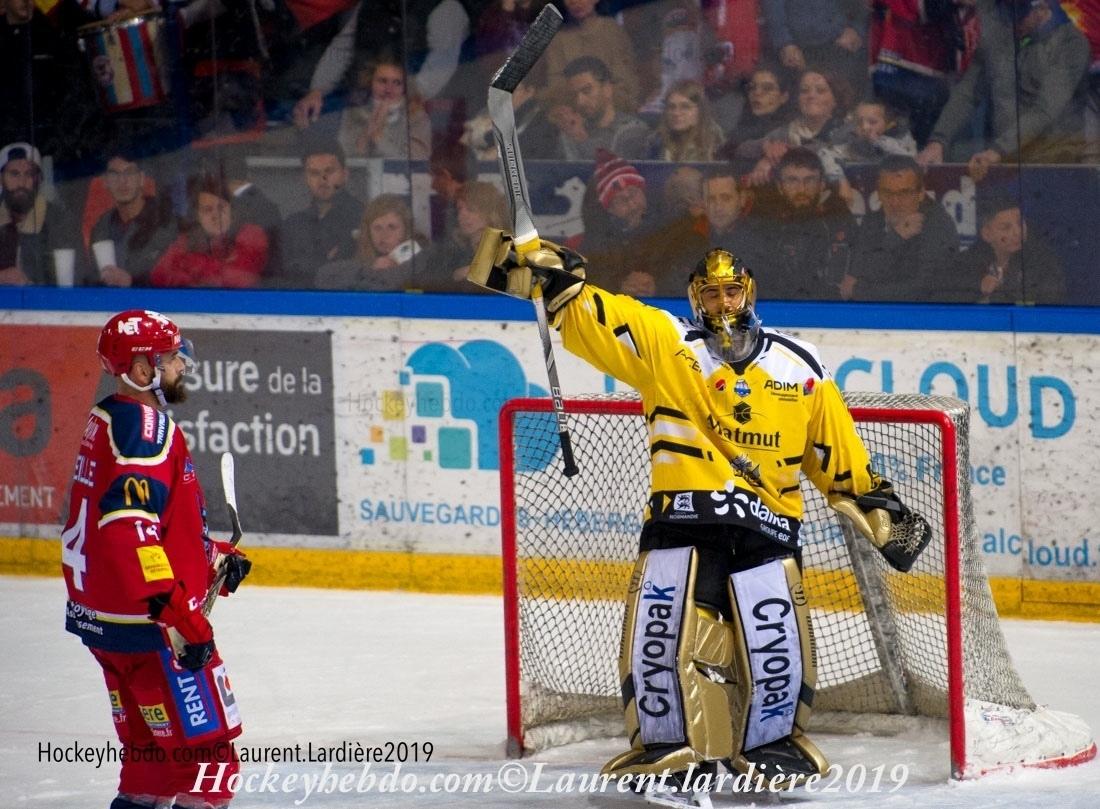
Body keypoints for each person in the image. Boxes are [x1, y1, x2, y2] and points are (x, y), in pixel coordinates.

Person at [467, 237, 931, 807]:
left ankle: (772, 746)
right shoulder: (667, 344)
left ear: (750, 292)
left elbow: (834, 449)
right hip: (681, 522)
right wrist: (557, 284)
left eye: (731, 289)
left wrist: (873, 502)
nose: (722, 301)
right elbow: (602, 318)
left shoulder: (799, 363)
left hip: (768, 525)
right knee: (661, 638)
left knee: (775, 643)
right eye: (710, 292)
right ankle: (668, 749)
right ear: (695, 297)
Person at [61, 310, 251, 809]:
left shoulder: (107, 419)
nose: (180, 363)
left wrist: (212, 559)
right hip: (153, 630)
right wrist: (180, 614)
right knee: (211, 770)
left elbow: (149, 524)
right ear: (140, 369)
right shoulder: (147, 429)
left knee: (152, 771)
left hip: (107, 623)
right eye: (169, 356)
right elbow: (129, 528)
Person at [917, 0, 1090, 177]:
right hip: (1003, 158)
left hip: (1053, 162)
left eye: (1019, 16)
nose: (1011, 22)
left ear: (1042, 9)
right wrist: (938, 141)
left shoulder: (1072, 44)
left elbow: (1045, 110)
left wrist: (998, 150)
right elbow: (968, 93)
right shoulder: (1000, 34)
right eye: (1006, 13)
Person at [745, 146, 856, 299]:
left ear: (822, 184)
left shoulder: (838, 218)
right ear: (780, 186)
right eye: (792, 181)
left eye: (809, 180)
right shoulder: (765, 223)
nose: (801, 189)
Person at [849, 155, 961, 302]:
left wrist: (860, 291)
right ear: (878, 192)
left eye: (904, 193)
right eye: (887, 193)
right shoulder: (873, 221)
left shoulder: (938, 225)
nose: (895, 202)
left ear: (920, 193)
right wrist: (896, 237)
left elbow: (925, 289)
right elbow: (855, 277)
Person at [151, 175, 269, 288]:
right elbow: (158, 275)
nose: (215, 216)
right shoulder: (186, 240)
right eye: (207, 210)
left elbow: (241, 280)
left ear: (232, 211)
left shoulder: (252, 235)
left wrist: (192, 267)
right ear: (198, 216)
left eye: (221, 208)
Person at [277, 139, 363, 288]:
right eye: (314, 173)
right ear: (305, 178)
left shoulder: (364, 218)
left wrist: (304, 265)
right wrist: (325, 262)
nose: (323, 180)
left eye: (329, 171)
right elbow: (281, 273)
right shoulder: (293, 224)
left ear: (345, 174)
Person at [953, 194, 1066, 304]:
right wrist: (978, 286)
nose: (1017, 232)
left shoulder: (1042, 262)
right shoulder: (965, 263)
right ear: (986, 234)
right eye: (1006, 227)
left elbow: (1051, 299)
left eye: (1020, 223)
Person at [87, 149, 176, 288]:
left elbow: (176, 280)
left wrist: (132, 282)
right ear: (105, 181)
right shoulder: (101, 228)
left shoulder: (165, 222)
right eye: (114, 174)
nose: (122, 181)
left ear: (141, 179)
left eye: (129, 172)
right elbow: (91, 278)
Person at [0, 142, 79, 286]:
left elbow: (77, 279)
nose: (21, 182)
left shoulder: (59, 221)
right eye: (14, 174)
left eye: (29, 174)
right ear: (1, 179)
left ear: (39, 180)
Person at [315, 193, 425, 289]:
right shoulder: (352, 249)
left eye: (392, 227)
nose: (384, 235)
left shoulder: (423, 256)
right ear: (368, 231)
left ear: (406, 229)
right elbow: (323, 277)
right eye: (377, 228)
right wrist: (369, 270)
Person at [554, 56, 651, 161]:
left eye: (587, 91)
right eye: (574, 94)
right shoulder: (571, 129)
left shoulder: (632, 130)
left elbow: (616, 172)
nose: (579, 101)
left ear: (607, 89)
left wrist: (581, 140)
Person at [337, 55, 431, 159]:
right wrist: (371, 126)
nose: (389, 89)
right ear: (370, 82)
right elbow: (347, 153)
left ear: (404, 87)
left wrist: (378, 136)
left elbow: (418, 157)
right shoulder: (353, 111)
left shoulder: (416, 114)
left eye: (397, 83)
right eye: (382, 81)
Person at [646, 80, 725, 162]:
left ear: (700, 111)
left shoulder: (716, 145)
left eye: (685, 107)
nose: (676, 113)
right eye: (671, 107)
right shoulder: (656, 143)